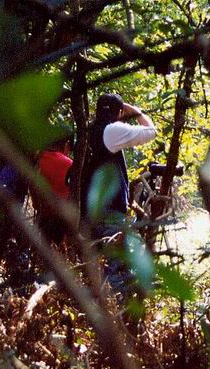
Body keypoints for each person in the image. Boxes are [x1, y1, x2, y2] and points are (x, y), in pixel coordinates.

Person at [80, 93, 157, 295]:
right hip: (109, 212)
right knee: (115, 272)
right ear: (119, 112)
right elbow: (151, 132)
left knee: (98, 268)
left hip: (89, 210)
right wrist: (137, 112)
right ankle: (113, 320)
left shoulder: (89, 130)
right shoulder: (111, 131)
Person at [35, 134, 74, 244]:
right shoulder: (70, 164)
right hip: (62, 219)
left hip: (43, 216)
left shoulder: (38, 160)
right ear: (66, 145)